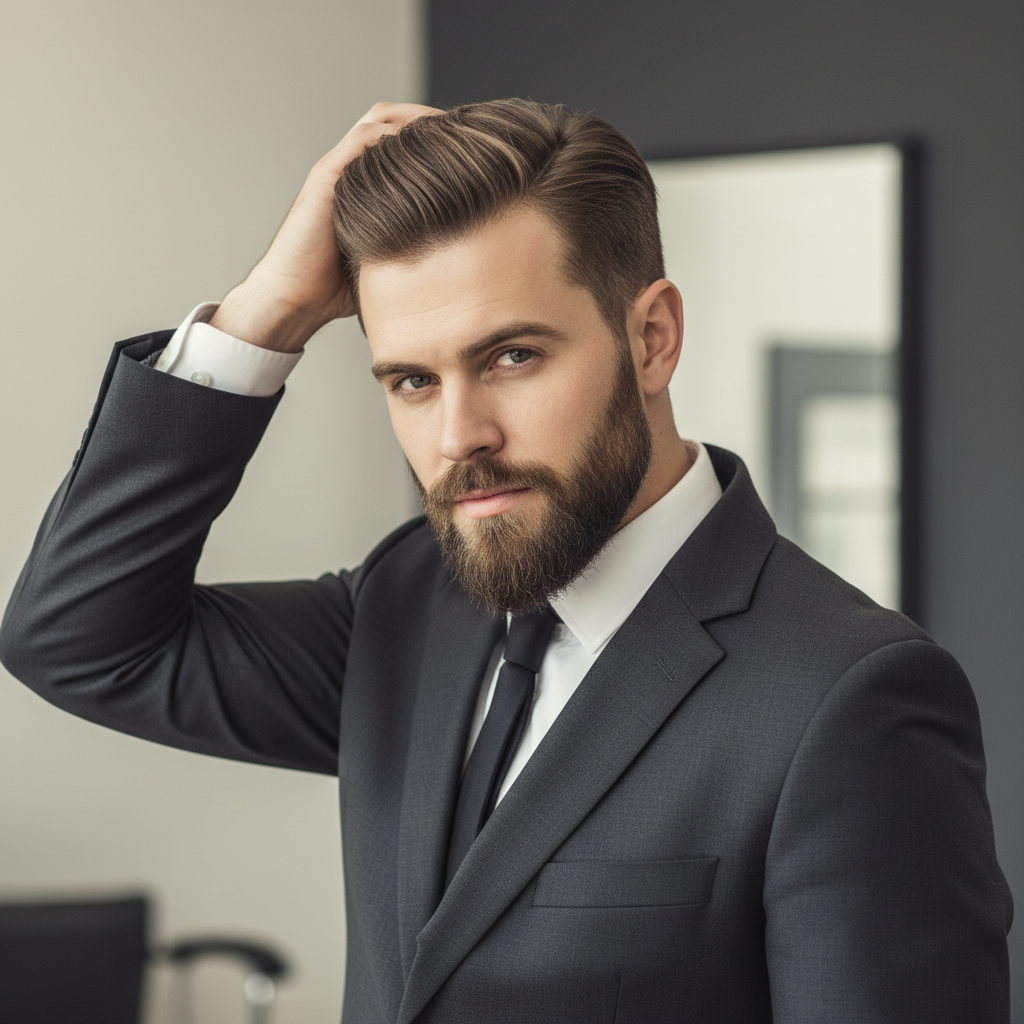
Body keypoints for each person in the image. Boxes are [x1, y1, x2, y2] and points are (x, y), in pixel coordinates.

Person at [0, 99, 1012, 1023]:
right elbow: (79, 638)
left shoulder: (847, 697)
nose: (457, 437)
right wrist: (267, 313)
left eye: (512, 357)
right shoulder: (406, 606)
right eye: (408, 379)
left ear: (652, 337)